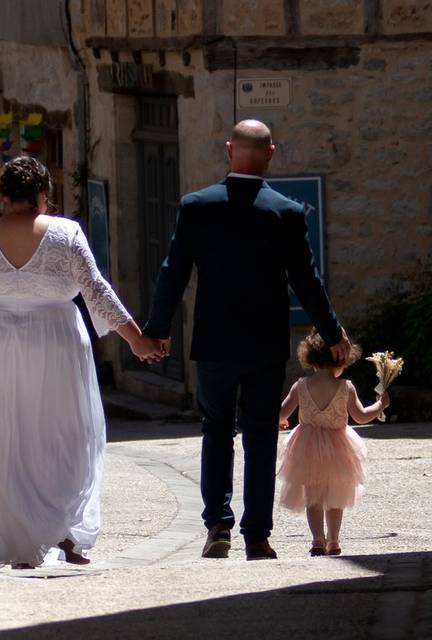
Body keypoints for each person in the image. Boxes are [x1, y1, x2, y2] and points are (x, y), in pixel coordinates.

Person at [143, 119, 353, 561]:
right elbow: (306, 282)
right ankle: (257, 536)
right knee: (261, 434)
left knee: (216, 430)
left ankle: (218, 525)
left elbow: (173, 271)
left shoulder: (197, 206)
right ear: (270, 153)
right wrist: (333, 334)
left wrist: (157, 329)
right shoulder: (285, 212)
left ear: (228, 150)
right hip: (264, 342)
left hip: (214, 340)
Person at [0, 156, 161, 569]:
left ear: (3, 195)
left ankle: (20, 539)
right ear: (43, 194)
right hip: (55, 339)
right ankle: (63, 526)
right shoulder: (66, 233)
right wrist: (135, 339)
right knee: (65, 433)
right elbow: (94, 290)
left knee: (3, 439)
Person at [278, 332, 389, 556]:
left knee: (313, 496)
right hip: (339, 446)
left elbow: (281, 412)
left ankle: (318, 539)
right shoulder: (345, 387)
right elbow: (361, 416)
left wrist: (282, 421)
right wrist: (380, 406)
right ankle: (334, 540)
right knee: (336, 495)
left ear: (310, 357)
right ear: (340, 359)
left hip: (306, 447)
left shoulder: (300, 386)